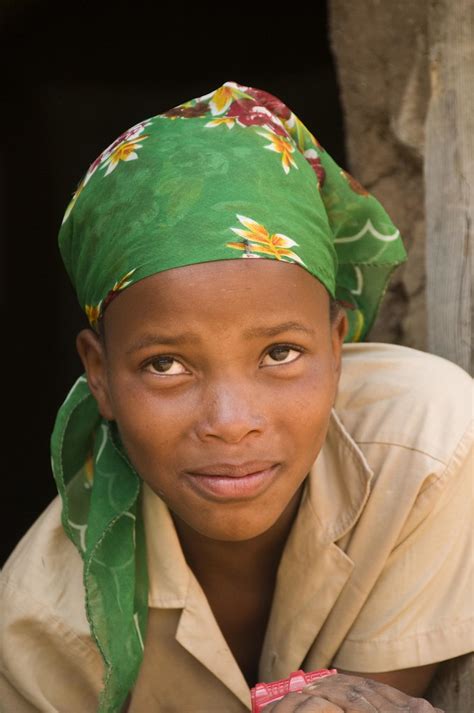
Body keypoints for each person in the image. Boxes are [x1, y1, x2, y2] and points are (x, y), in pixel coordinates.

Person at [1, 80, 472, 713]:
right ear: (101, 375)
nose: (231, 423)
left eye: (280, 353)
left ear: (337, 347)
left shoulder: (428, 449)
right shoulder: (41, 629)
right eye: (166, 364)